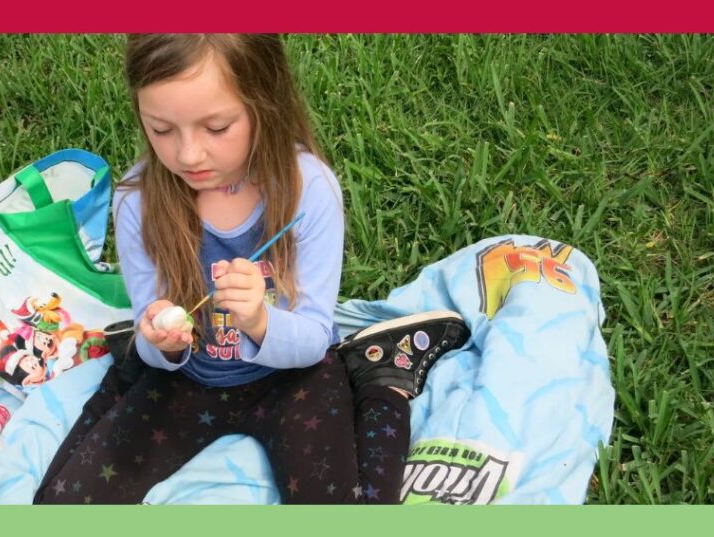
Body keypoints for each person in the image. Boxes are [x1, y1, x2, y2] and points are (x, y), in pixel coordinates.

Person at [34, 34, 469, 505]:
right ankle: (122, 366)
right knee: (58, 505)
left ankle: (381, 379)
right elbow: (155, 340)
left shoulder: (308, 190)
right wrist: (158, 341)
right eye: (161, 129)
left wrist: (261, 321)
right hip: (188, 378)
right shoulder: (139, 201)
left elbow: (314, 335)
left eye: (216, 128)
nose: (188, 155)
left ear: (265, 104)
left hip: (293, 376)